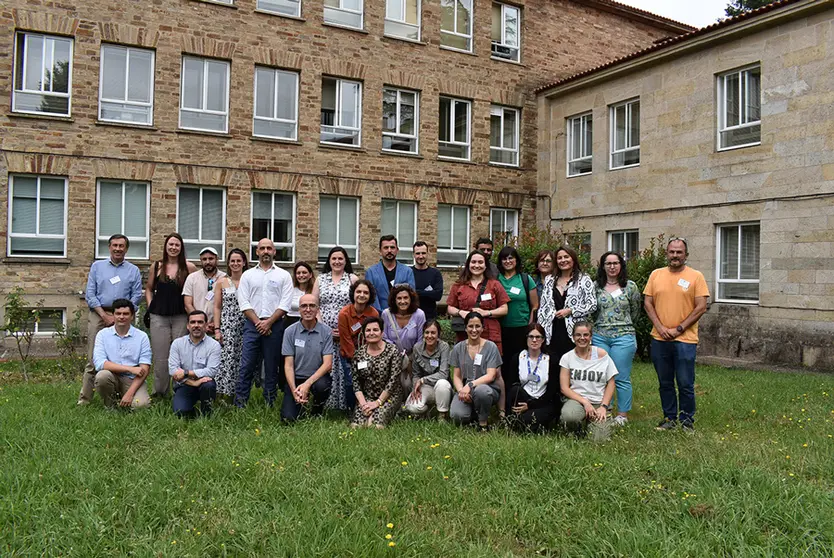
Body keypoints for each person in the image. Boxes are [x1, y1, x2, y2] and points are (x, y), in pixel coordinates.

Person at [643, 238, 709, 431]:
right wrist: (660, 328)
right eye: (672, 252)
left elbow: (701, 307)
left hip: (685, 340)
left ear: (686, 255)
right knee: (665, 382)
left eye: (679, 252)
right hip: (659, 338)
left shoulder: (696, 276)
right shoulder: (656, 275)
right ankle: (669, 418)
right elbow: (648, 303)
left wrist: (678, 329)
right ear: (667, 253)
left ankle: (687, 421)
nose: (675, 255)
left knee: (685, 382)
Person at [78, 234, 143, 406]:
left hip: (124, 316)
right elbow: (90, 294)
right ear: (109, 247)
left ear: (126, 249)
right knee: (92, 359)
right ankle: (85, 399)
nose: (118, 249)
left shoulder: (133, 270)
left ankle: (121, 394)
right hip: (100, 314)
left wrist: (121, 315)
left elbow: (136, 296)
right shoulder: (97, 267)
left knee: (124, 357)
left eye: (121, 246)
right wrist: (104, 315)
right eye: (115, 245)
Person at [235, 238, 293, 408]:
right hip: (251, 325)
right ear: (257, 252)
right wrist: (259, 323)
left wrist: (268, 323)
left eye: (269, 248)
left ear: (274, 251)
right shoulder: (247, 275)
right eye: (262, 248)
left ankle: (270, 404)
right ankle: (240, 405)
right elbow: (243, 302)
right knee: (246, 366)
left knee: (271, 367)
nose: (266, 251)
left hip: (275, 326)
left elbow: (285, 303)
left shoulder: (283, 275)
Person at [145, 233, 197, 398]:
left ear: (181, 248)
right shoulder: (156, 266)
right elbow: (148, 289)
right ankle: (160, 393)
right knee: (161, 358)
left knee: (180, 356)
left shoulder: (189, 267)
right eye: (171, 244)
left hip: (181, 317)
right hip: (159, 316)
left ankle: (180, 392)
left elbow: (196, 290)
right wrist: (150, 306)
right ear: (166, 246)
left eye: (177, 245)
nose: (173, 248)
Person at [593, 251, 642, 426]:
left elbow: (636, 311)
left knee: (621, 376)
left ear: (621, 265)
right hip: (600, 336)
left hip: (624, 336)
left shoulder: (630, 287)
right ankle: (605, 409)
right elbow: (592, 310)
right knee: (602, 376)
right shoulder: (595, 286)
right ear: (603, 266)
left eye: (615, 263)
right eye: (608, 263)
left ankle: (622, 415)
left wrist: (623, 325)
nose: (612, 267)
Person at [313, 246, 359, 411]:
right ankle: (326, 404)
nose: (337, 261)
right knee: (327, 365)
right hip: (324, 331)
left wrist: (346, 330)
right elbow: (314, 304)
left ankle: (347, 405)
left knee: (346, 367)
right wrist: (323, 327)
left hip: (347, 332)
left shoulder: (352, 278)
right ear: (329, 261)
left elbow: (358, 305)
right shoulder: (321, 279)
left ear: (346, 261)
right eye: (334, 258)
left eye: (340, 258)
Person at [537, 246, 597, 367]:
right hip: (552, 331)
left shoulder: (584, 279)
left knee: (573, 367)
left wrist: (571, 311)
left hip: (574, 332)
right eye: (559, 258)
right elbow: (543, 307)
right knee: (552, 368)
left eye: (566, 257)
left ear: (573, 259)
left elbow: (592, 305)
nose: (563, 260)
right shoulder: (549, 280)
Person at [559, 321, 618, 442]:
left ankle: (594, 422)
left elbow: (611, 382)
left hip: (598, 402)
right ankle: (576, 428)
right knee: (570, 416)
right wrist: (585, 402)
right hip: (577, 401)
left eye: (586, 335)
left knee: (599, 440)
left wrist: (604, 406)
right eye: (578, 335)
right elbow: (564, 388)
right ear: (573, 337)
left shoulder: (602, 355)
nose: (582, 338)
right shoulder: (567, 357)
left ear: (591, 336)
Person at [281, 294, 333, 421]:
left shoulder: (326, 331)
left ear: (318, 309)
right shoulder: (289, 331)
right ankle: (300, 403)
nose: (308, 309)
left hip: (317, 378)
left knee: (322, 386)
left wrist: (307, 384)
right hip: (296, 378)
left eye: (312, 306)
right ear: (299, 309)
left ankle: (316, 410)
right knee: (288, 419)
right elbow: (288, 365)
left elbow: (327, 364)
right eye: (304, 306)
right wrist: (294, 390)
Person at [92, 298, 151, 409]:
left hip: (133, 380)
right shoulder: (102, 335)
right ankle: (110, 406)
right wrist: (130, 369)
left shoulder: (142, 336)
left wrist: (130, 393)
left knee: (141, 406)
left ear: (132, 316)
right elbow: (100, 364)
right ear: (113, 315)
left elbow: (145, 368)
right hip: (111, 376)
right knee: (102, 376)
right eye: (118, 313)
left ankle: (126, 399)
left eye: (126, 314)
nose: (121, 317)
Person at [446, 250, 509, 353]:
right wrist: (460, 312)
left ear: (485, 266)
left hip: (490, 334)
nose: (476, 265)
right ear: (468, 264)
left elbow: (504, 309)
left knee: (490, 362)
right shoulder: (458, 285)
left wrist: (487, 312)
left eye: (480, 262)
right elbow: (450, 308)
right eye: (473, 262)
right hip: (466, 335)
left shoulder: (495, 284)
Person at [449, 313, 502, 430]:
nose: (474, 330)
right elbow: (456, 376)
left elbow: (491, 375)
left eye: (477, 326)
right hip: (465, 390)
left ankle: (483, 423)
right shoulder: (458, 348)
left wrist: (470, 385)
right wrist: (461, 391)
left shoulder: (491, 347)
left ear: (483, 328)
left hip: (487, 388)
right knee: (457, 416)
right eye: (470, 326)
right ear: (465, 328)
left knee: (482, 391)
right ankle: (474, 413)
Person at [351, 317, 405, 428]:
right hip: (367, 397)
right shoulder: (359, 354)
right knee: (356, 426)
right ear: (364, 334)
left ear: (382, 333)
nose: (371, 333)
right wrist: (363, 404)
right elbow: (356, 383)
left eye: (375, 330)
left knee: (375, 425)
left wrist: (378, 402)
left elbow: (393, 381)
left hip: (389, 396)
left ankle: (394, 412)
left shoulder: (393, 351)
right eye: (368, 330)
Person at [505, 323, 558, 432]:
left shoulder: (551, 360)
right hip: (523, 398)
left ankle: (525, 422)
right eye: (531, 337)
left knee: (528, 419)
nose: (534, 340)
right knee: (515, 390)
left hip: (543, 401)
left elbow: (552, 391)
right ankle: (515, 420)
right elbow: (511, 384)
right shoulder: (518, 358)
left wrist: (530, 405)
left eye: (538, 337)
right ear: (526, 338)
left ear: (543, 339)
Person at [169, 310, 221, 418]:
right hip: (185, 384)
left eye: (200, 322)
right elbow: (173, 371)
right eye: (192, 322)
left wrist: (186, 373)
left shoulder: (214, 345)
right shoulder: (177, 344)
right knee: (180, 412)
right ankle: (190, 407)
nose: (196, 325)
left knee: (208, 385)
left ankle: (207, 413)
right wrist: (194, 383)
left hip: (204, 384)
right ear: (188, 326)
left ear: (206, 325)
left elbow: (212, 371)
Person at [497, 246, 539, 373]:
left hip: (521, 328)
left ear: (516, 260)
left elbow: (535, 305)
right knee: (502, 363)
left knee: (520, 362)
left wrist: (530, 325)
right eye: (504, 259)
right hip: (500, 328)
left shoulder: (525, 279)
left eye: (511, 258)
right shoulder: (496, 279)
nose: (508, 261)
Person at [212, 248, 247, 399]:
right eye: (232, 261)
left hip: (246, 326)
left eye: (238, 260)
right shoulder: (222, 282)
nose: (235, 263)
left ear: (244, 262)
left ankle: (240, 393)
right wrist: (217, 329)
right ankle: (223, 394)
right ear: (228, 263)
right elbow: (217, 306)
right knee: (227, 359)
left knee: (242, 359)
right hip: (228, 327)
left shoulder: (249, 280)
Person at [404, 320, 453, 421]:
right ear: (423, 333)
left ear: (439, 334)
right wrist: (415, 388)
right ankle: (426, 411)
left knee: (442, 383)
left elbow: (444, 374)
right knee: (411, 407)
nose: (429, 336)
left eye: (433, 333)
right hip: (425, 387)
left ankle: (442, 415)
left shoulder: (444, 347)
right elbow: (416, 374)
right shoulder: (417, 348)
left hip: (442, 388)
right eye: (427, 332)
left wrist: (423, 380)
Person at [337, 280, 379, 379]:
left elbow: (374, 337)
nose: (362, 295)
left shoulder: (374, 313)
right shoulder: (344, 314)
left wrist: (367, 358)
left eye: (366, 293)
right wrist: (359, 362)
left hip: (369, 356)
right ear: (353, 293)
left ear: (370, 296)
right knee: (351, 384)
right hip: (349, 357)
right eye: (358, 292)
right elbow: (346, 340)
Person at [364, 235, 416, 314]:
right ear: (380, 251)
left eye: (392, 247)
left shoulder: (407, 272)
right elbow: (372, 298)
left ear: (397, 250)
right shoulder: (371, 272)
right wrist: (382, 314)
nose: (389, 250)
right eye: (386, 248)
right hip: (379, 316)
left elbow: (411, 296)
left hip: (402, 316)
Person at [182, 247, 226, 335]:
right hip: (197, 327)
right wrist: (201, 323)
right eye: (204, 259)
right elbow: (188, 304)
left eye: (211, 259)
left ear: (217, 259)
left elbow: (227, 303)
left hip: (218, 328)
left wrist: (216, 323)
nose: (207, 262)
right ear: (200, 261)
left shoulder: (224, 278)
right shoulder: (192, 278)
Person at [381, 285, 426, 356]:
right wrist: (395, 353)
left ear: (411, 299)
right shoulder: (386, 314)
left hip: (413, 356)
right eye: (399, 298)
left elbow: (421, 340)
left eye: (405, 298)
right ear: (394, 300)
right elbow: (384, 338)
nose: (402, 301)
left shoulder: (419, 314)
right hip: (391, 356)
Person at [411, 241, 443, 320]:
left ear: (428, 254)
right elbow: (407, 294)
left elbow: (438, 295)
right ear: (413, 255)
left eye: (423, 253)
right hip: (411, 317)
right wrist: (429, 293)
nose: (421, 256)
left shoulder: (435, 273)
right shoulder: (408, 272)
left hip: (430, 319)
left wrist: (416, 292)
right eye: (418, 253)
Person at [285, 261, 315, 330]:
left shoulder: (314, 291)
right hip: (290, 322)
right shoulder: (290, 290)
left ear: (310, 275)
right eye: (298, 273)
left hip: (309, 324)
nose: (301, 275)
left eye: (304, 272)